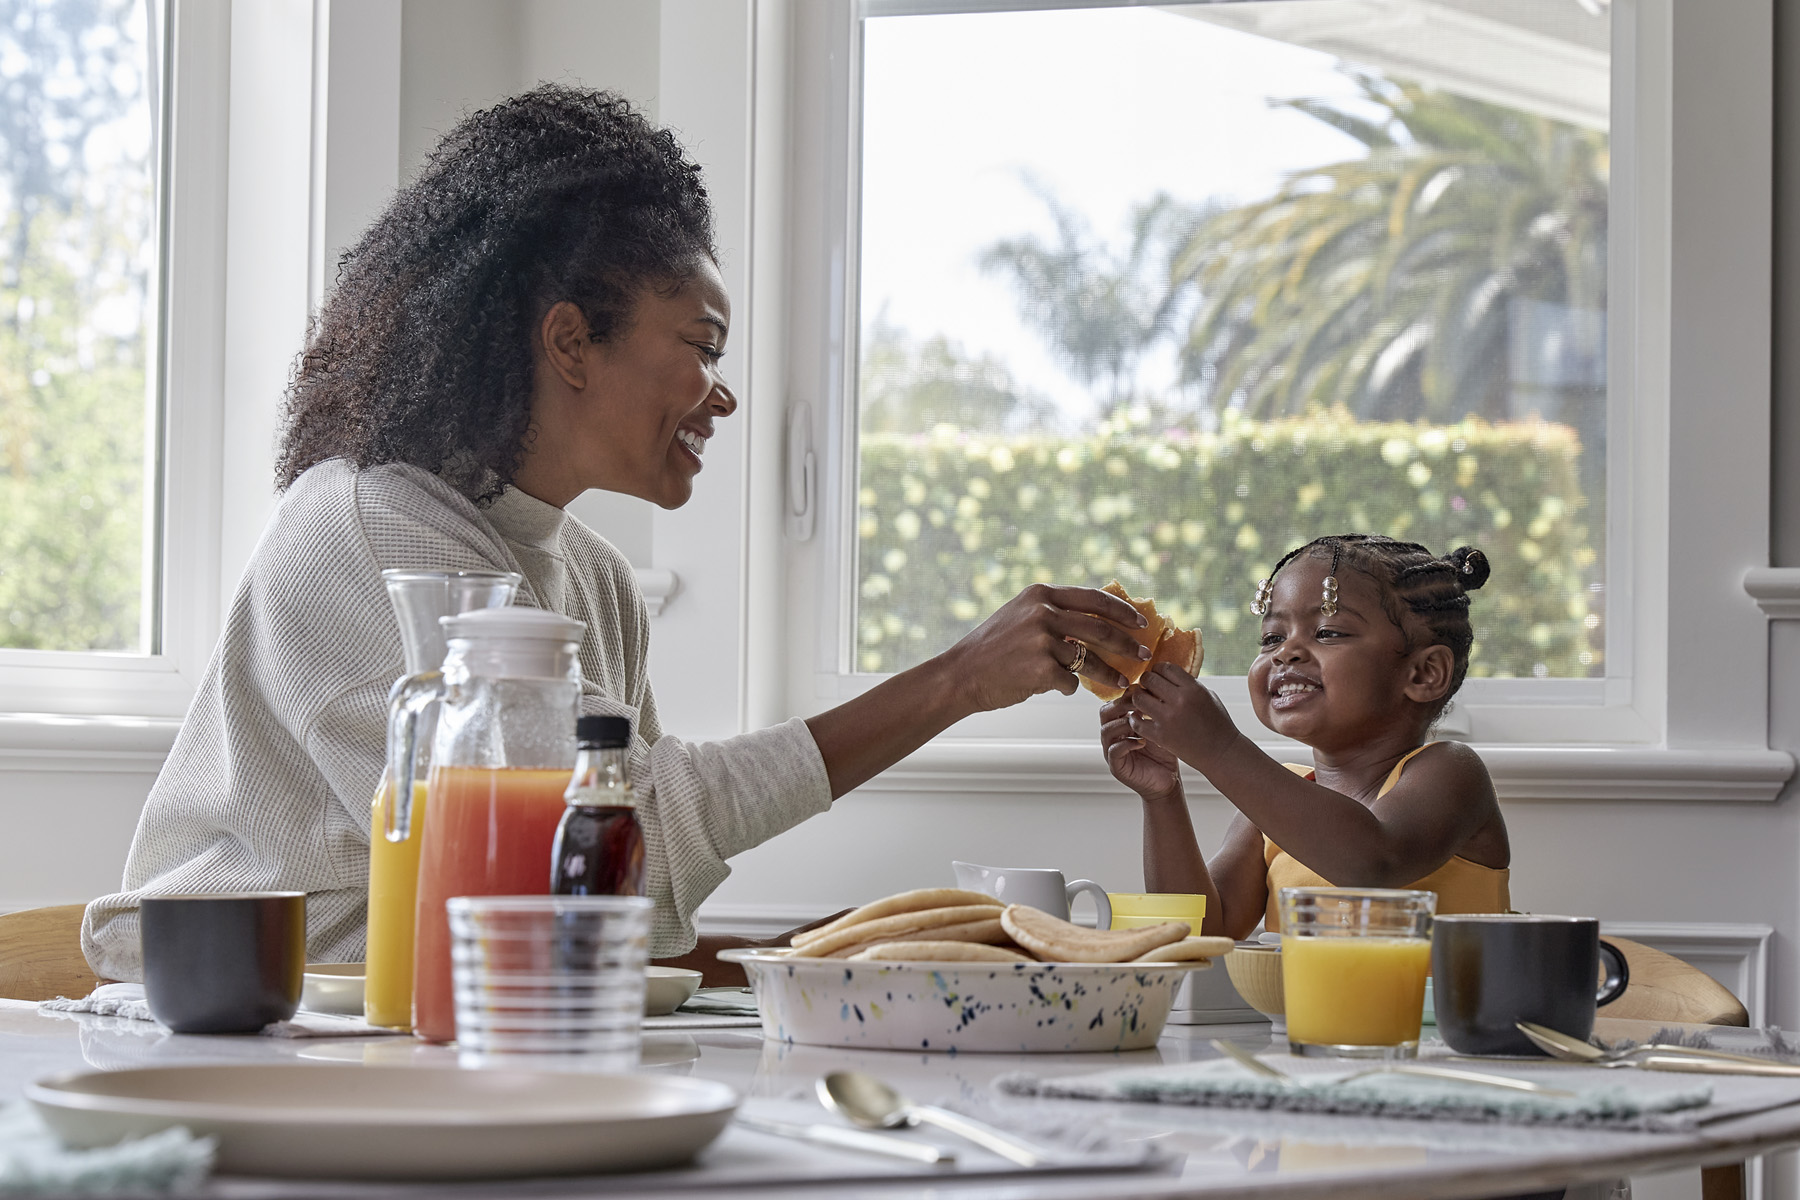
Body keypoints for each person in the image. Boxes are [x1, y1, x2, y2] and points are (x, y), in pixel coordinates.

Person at [81, 86, 1154, 982]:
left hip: (454, 1031)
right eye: (702, 343)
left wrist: (866, 962)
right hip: (249, 1026)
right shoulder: (371, 529)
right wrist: (955, 681)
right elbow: (592, 843)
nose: (721, 397)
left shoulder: (589, 577)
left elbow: (614, 893)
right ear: (570, 342)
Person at [1099, 534, 1510, 939]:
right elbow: (1201, 929)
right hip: (1302, 1011)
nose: (1285, 653)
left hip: (1444, 1011)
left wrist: (1220, 749)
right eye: (1272, 638)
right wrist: (1163, 797)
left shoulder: (1451, 773)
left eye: (1328, 633)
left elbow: (1372, 863)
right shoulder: (1268, 814)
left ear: (1424, 673)